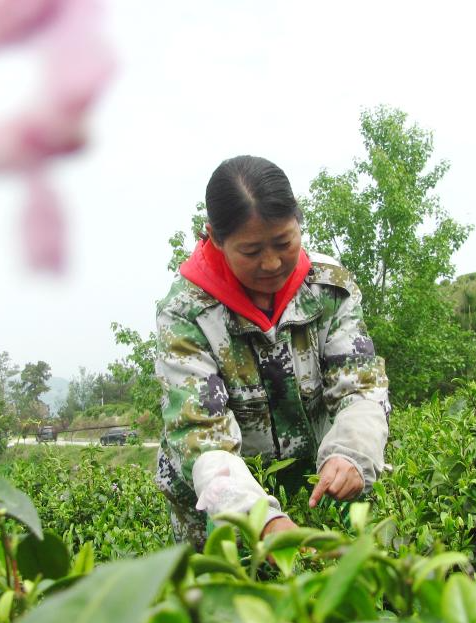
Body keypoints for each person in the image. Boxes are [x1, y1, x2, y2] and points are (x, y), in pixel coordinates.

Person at [155, 155, 390, 549]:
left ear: (298, 219)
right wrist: (258, 519)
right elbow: (200, 433)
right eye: (250, 251)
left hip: (317, 488)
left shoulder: (328, 287)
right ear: (215, 238)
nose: (271, 262)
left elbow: (361, 387)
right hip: (222, 505)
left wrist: (351, 455)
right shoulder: (187, 313)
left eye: (284, 242)